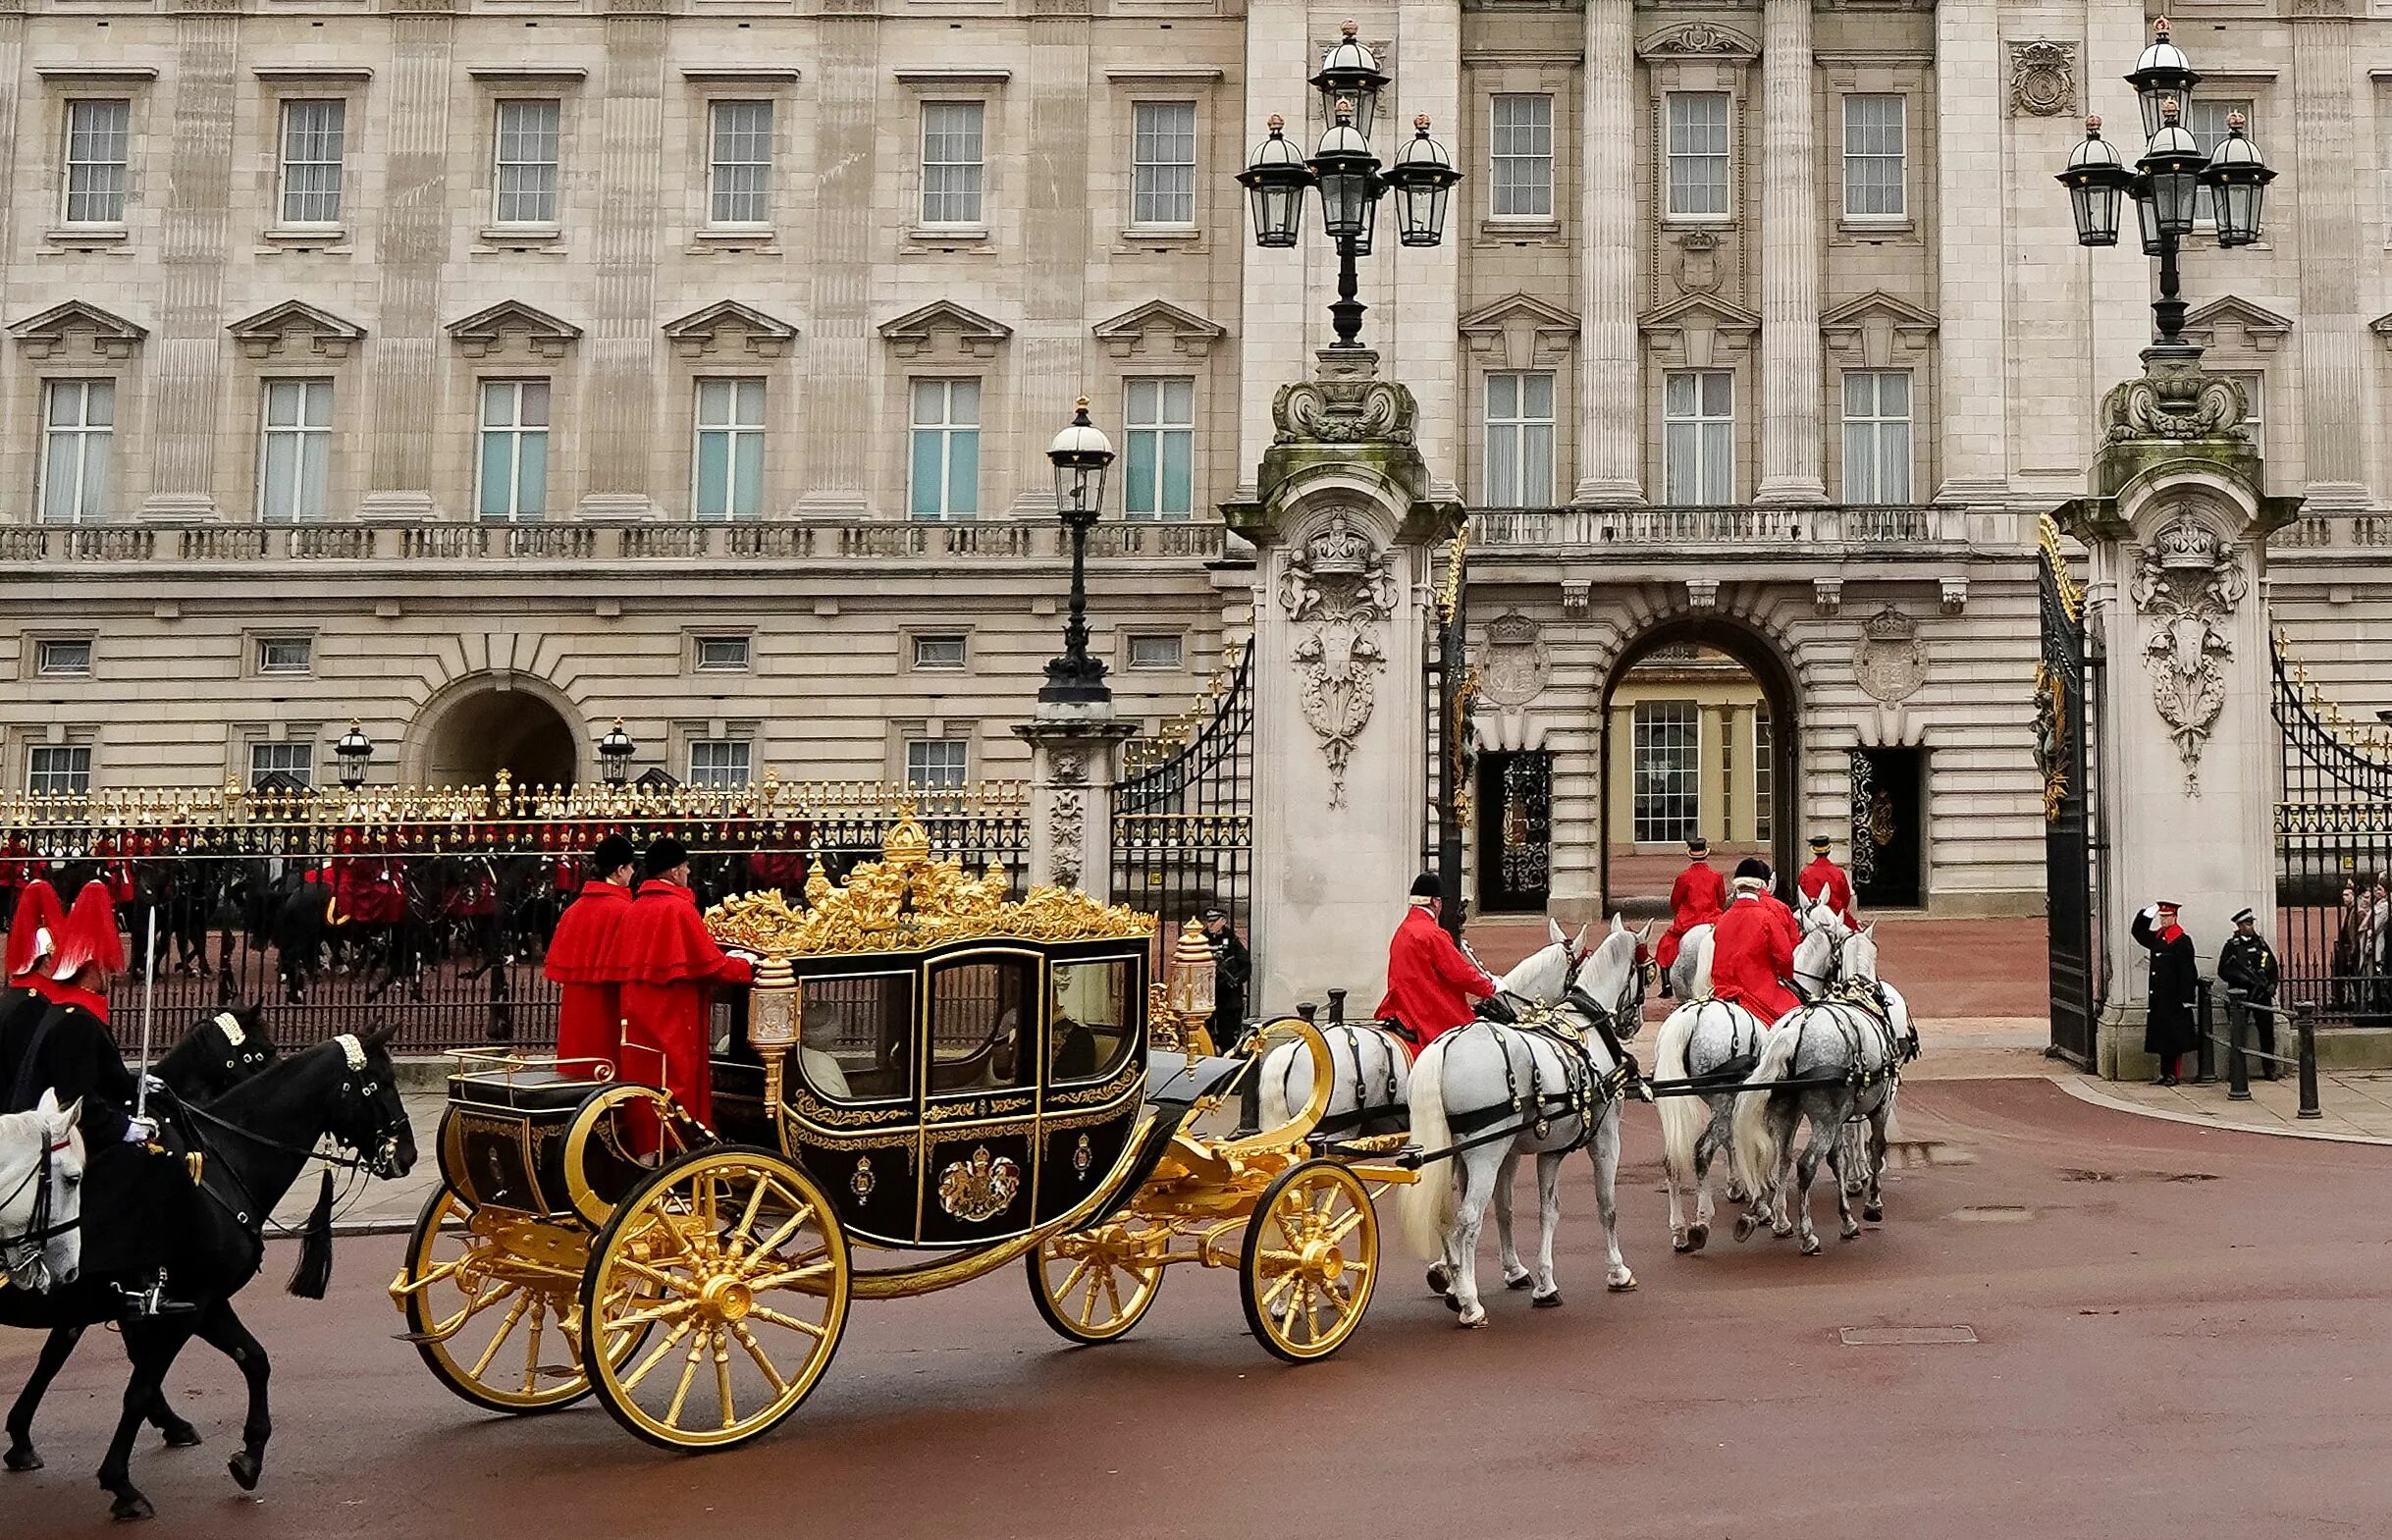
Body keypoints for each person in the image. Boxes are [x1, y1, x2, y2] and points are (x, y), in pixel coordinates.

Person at [0, 881, 194, 1316]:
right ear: (90, 965)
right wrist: (127, 1128)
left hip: (57, 1125)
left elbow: (94, 1077)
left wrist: (138, 1085)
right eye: (105, 965)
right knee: (154, 1161)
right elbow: (80, 1099)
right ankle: (139, 1279)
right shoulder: (76, 1021)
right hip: (61, 1134)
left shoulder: (67, 1011)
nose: (112, 973)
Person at [612, 837, 753, 1133]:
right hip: (674, 1016)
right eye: (686, 868)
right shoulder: (678, 909)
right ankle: (682, 1145)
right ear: (675, 871)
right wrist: (746, 966)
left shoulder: (634, 909)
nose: (688, 874)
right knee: (677, 1081)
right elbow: (711, 965)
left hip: (637, 1016)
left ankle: (647, 1144)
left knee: (645, 1080)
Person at [544, 833, 636, 1076]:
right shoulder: (624, 910)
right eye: (631, 867)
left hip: (575, 1014)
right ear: (620, 870)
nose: (633, 873)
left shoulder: (575, 909)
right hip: (608, 1009)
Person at [1373, 874, 1498, 1051]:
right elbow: (1459, 973)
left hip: (1403, 1006)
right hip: (1427, 1010)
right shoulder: (1432, 933)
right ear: (1436, 902)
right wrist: (1490, 987)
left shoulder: (1403, 930)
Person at [1710, 858, 1802, 1023]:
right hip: (1758, 993)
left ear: (1737, 887)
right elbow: (1785, 957)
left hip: (1723, 991)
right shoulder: (1767, 918)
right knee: (1798, 1019)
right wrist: (1785, 975)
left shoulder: (1723, 919)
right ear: (1760, 886)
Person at [2131, 899, 2199, 1087]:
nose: (2163, 920)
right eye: (2161, 916)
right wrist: (2146, 914)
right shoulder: (2159, 937)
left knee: (2174, 1038)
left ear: (2175, 917)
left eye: (2167, 917)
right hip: (2159, 997)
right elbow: (2138, 932)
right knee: (2162, 1036)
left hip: (2174, 998)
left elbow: (2187, 971)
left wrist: (2187, 997)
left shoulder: (2181, 940)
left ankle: (2173, 1074)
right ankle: (2164, 1072)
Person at [2215, 906, 2281, 1080]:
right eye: (2247, 923)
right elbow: (2223, 970)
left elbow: (2272, 966)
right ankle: (2237, 1070)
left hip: (2261, 995)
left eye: (2251, 923)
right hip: (2241, 995)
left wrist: (2272, 985)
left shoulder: (2260, 943)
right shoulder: (2232, 946)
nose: (2250, 926)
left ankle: (2269, 1067)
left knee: (2267, 1033)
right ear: (2239, 926)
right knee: (2238, 1033)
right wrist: (2241, 978)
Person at [1655, 836, 1726, 995]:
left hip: (1689, 921)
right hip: (1713, 919)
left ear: (1690, 855)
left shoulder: (1683, 877)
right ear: (1706, 854)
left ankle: (1666, 985)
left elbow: (1675, 901)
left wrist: (1681, 914)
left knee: (1665, 946)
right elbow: (1721, 900)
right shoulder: (1716, 876)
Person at [1200, 907, 1251, 1055]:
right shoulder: (1202, 938)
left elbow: (1245, 964)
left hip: (1228, 995)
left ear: (1223, 921)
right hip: (1208, 993)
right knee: (1206, 1029)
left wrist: (1236, 980)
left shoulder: (1232, 940)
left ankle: (1227, 1056)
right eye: (1208, 921)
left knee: (1228, 1031)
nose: (1210, 924)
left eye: (1214, 921)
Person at [1797, 834, 1857, 929]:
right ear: (1829, 851)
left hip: (1813, 918)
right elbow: (1846, 896)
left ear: (1814, 851)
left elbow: (1802, 895)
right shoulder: (1838, 872)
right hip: (1836, 917)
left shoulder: (1806, 872)